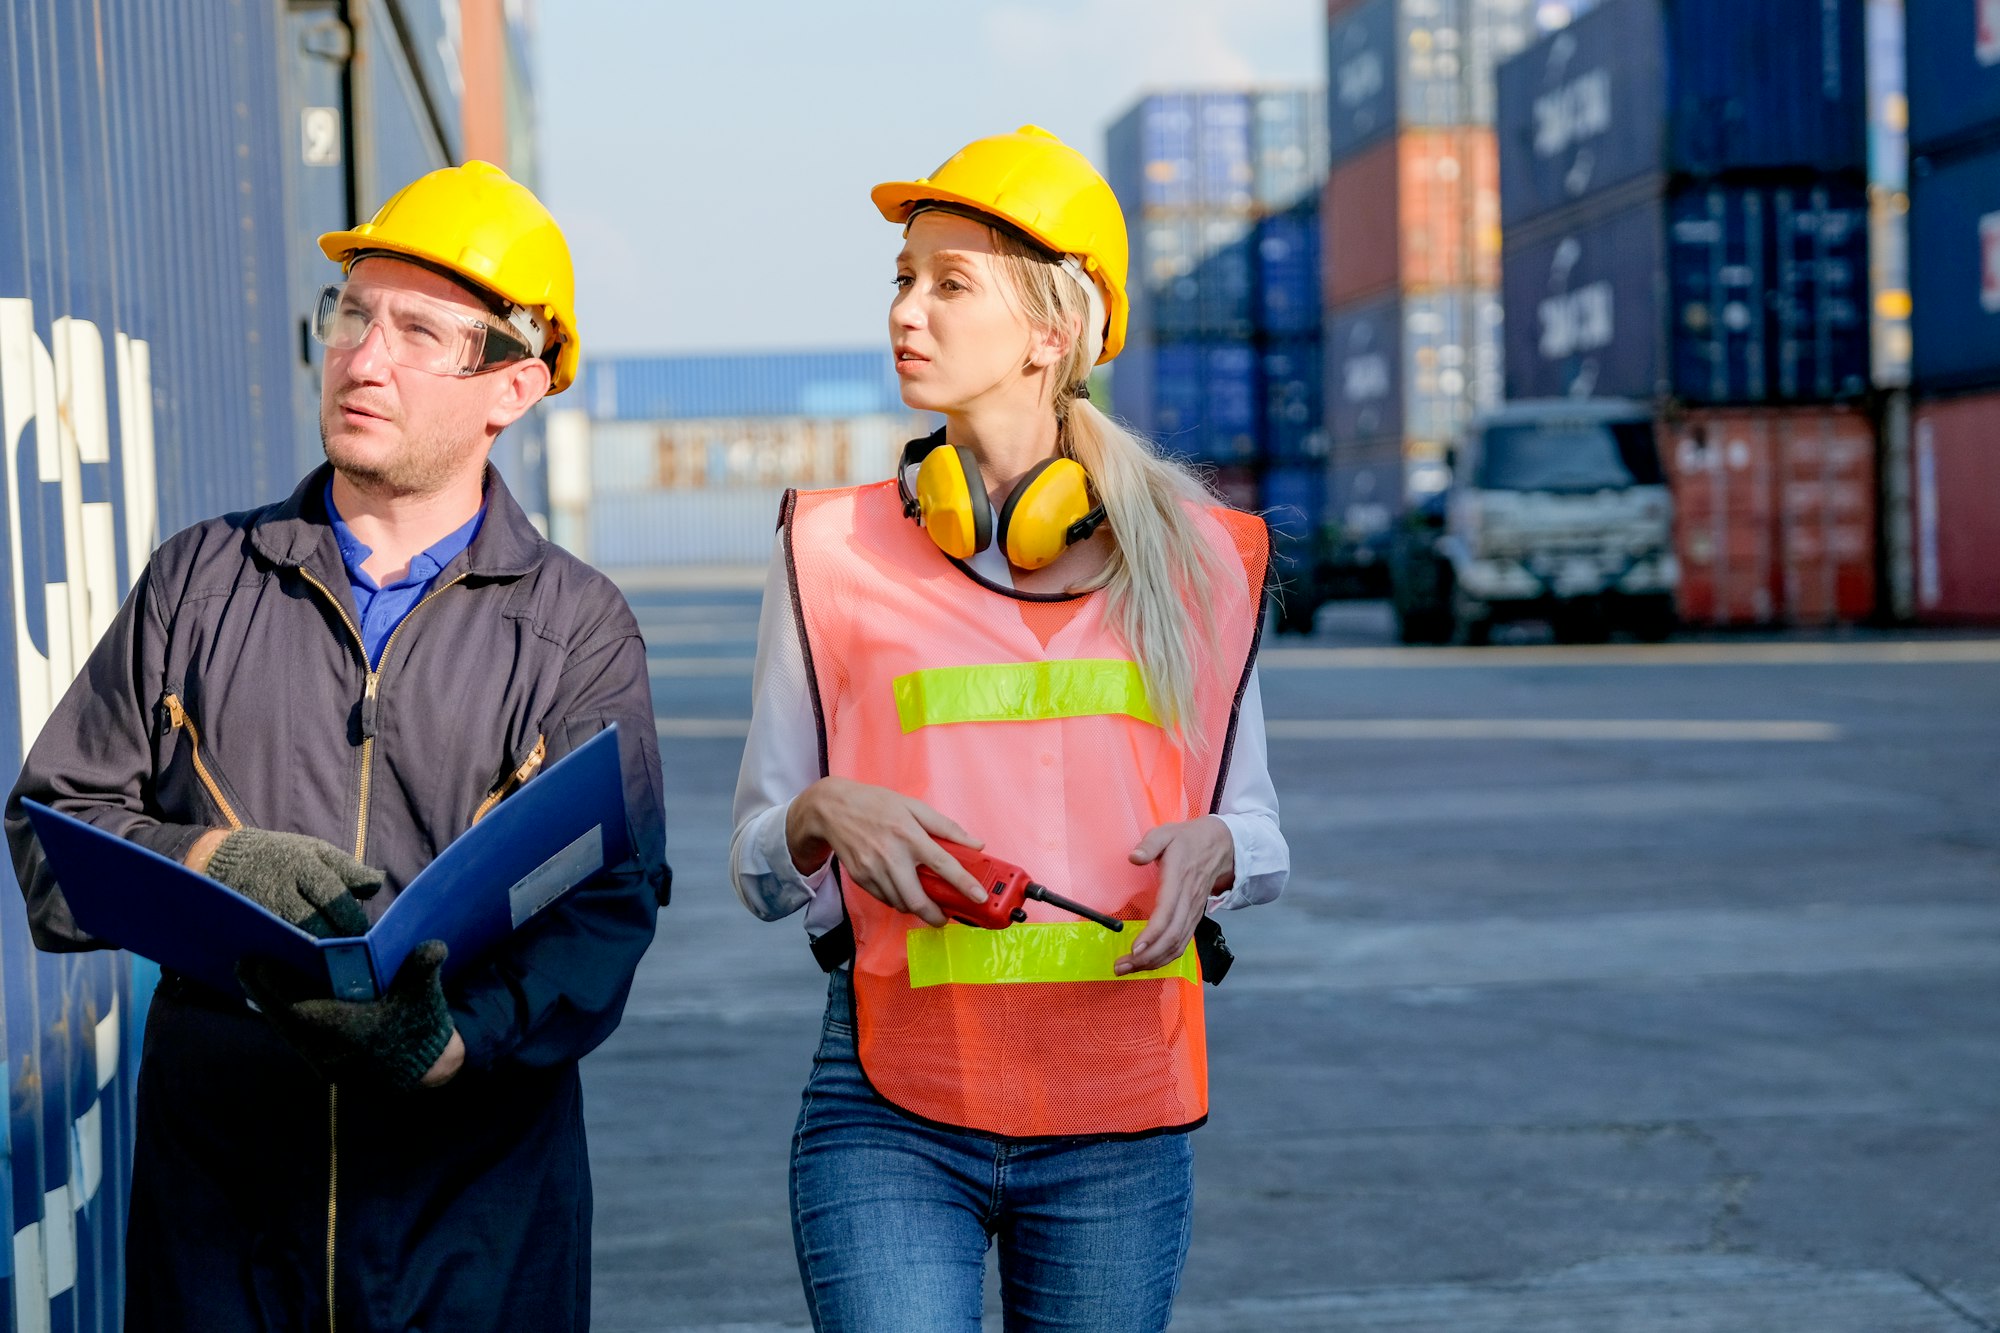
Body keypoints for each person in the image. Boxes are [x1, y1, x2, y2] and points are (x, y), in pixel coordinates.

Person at [5, 161, 669, 1333]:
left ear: (512, 383)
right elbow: (53, 831)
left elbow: (609, 898)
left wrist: (460, 1043)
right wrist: (215, 859)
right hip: (222, 1233)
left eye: (418, 332)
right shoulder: (199, 582)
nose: (364, 358)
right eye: (352, 314)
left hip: (474, 1233)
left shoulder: (576, 628)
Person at [729, 126, 1288, 1332]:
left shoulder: (1199, 561)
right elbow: (757, 868)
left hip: (1118, 1115)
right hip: (891, 1104)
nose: (905, 312)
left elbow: (1258, 827)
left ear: (1049, 331)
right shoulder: (825, 549)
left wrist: (1220, 853)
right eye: (900, 279)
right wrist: (818, 816)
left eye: (948, 283)